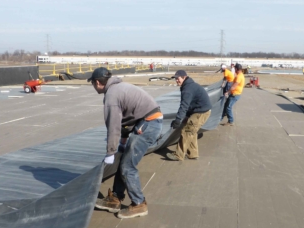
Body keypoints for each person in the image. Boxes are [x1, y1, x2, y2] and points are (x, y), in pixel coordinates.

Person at [89, 67, 163, 219]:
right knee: (124, 161)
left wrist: (110, 152)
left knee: (127, 166)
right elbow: (125, 121)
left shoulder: (111, 96)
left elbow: (114, 126)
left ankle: (139, 204)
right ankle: (115, 197)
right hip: (147, 121)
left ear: (97, 82)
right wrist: (122, 143)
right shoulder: (118, 88)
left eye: (92, 83)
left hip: (148, 124)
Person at [166, 70, 212, 161]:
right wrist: (186, 116)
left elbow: (184, 105)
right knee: (191, 131)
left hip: (201, 112)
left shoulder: (187, 89)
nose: (176, 81)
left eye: (178, 78)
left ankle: (178, 155)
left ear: (184, 77)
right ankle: (193, 153)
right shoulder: (188, 85)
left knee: (187, 131)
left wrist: (178, 120)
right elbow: (190, 104)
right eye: (175, 79)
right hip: (200, 110)